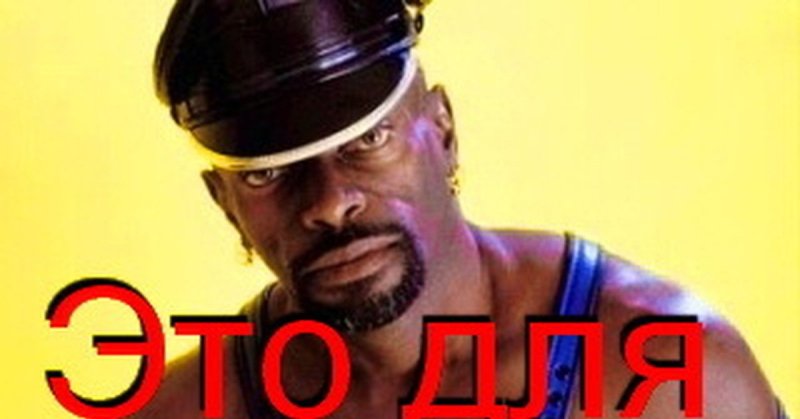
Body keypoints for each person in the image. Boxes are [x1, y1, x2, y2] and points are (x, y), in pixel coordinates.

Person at [136, 0, 785, 418]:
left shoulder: (668, 373)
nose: (330, 202)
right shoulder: (185, 407)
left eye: (369, 140)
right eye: (270, 172)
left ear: (443, 131)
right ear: (225, 204)